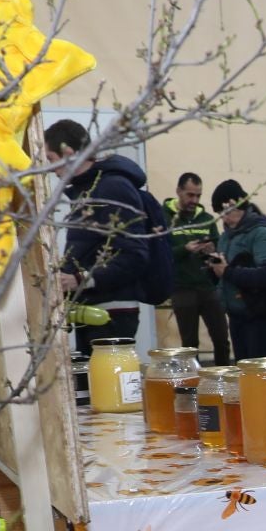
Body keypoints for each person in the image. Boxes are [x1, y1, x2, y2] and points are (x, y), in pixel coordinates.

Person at [44, 119, 151, 355]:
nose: (51, 168)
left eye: (51, 159)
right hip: (90, 312)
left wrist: (80, 278)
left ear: (68, 153)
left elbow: (135, 255)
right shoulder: (84, 192)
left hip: (112, 316)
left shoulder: (113, 188)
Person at [205, 180, 266, 360]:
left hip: (263, 315)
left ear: (238, 205)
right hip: (238, 315)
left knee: (260, 376)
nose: (224, 219)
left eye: (225, 212)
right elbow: (224, 276)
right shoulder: (227, 237)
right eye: (220, 214)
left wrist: (227, 271)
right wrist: (212, 265)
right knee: (245, 376)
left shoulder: (261, 233)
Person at [166, 170, 229, 363]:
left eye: (198, 195)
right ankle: (193, 386)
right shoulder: (165, 218)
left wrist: (210, 251)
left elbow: (219, 250)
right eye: (190, 195)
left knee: (221, 339)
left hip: (208, 287)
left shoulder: (207, 219)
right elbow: (161, 255)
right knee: (190, 344)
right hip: (182, 288)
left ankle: (223, 381)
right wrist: (185, 249)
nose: (194, 200)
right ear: (178, 191)